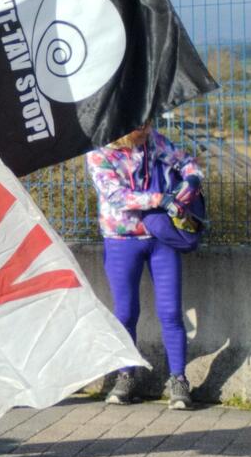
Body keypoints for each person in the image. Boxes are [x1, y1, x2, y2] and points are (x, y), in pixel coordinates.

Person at [86, 126, 206, 410]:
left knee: (170, 312)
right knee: (126, 312)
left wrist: (190, 179)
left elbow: (188, 163)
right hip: (121, 240)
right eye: (139, 124)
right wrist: (160, 199)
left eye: (147, 122)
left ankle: (179, 380)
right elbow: (116, 195)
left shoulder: (154, 142)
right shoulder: (98, 153)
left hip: (162, 238)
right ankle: (126, 375)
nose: (146, 128)